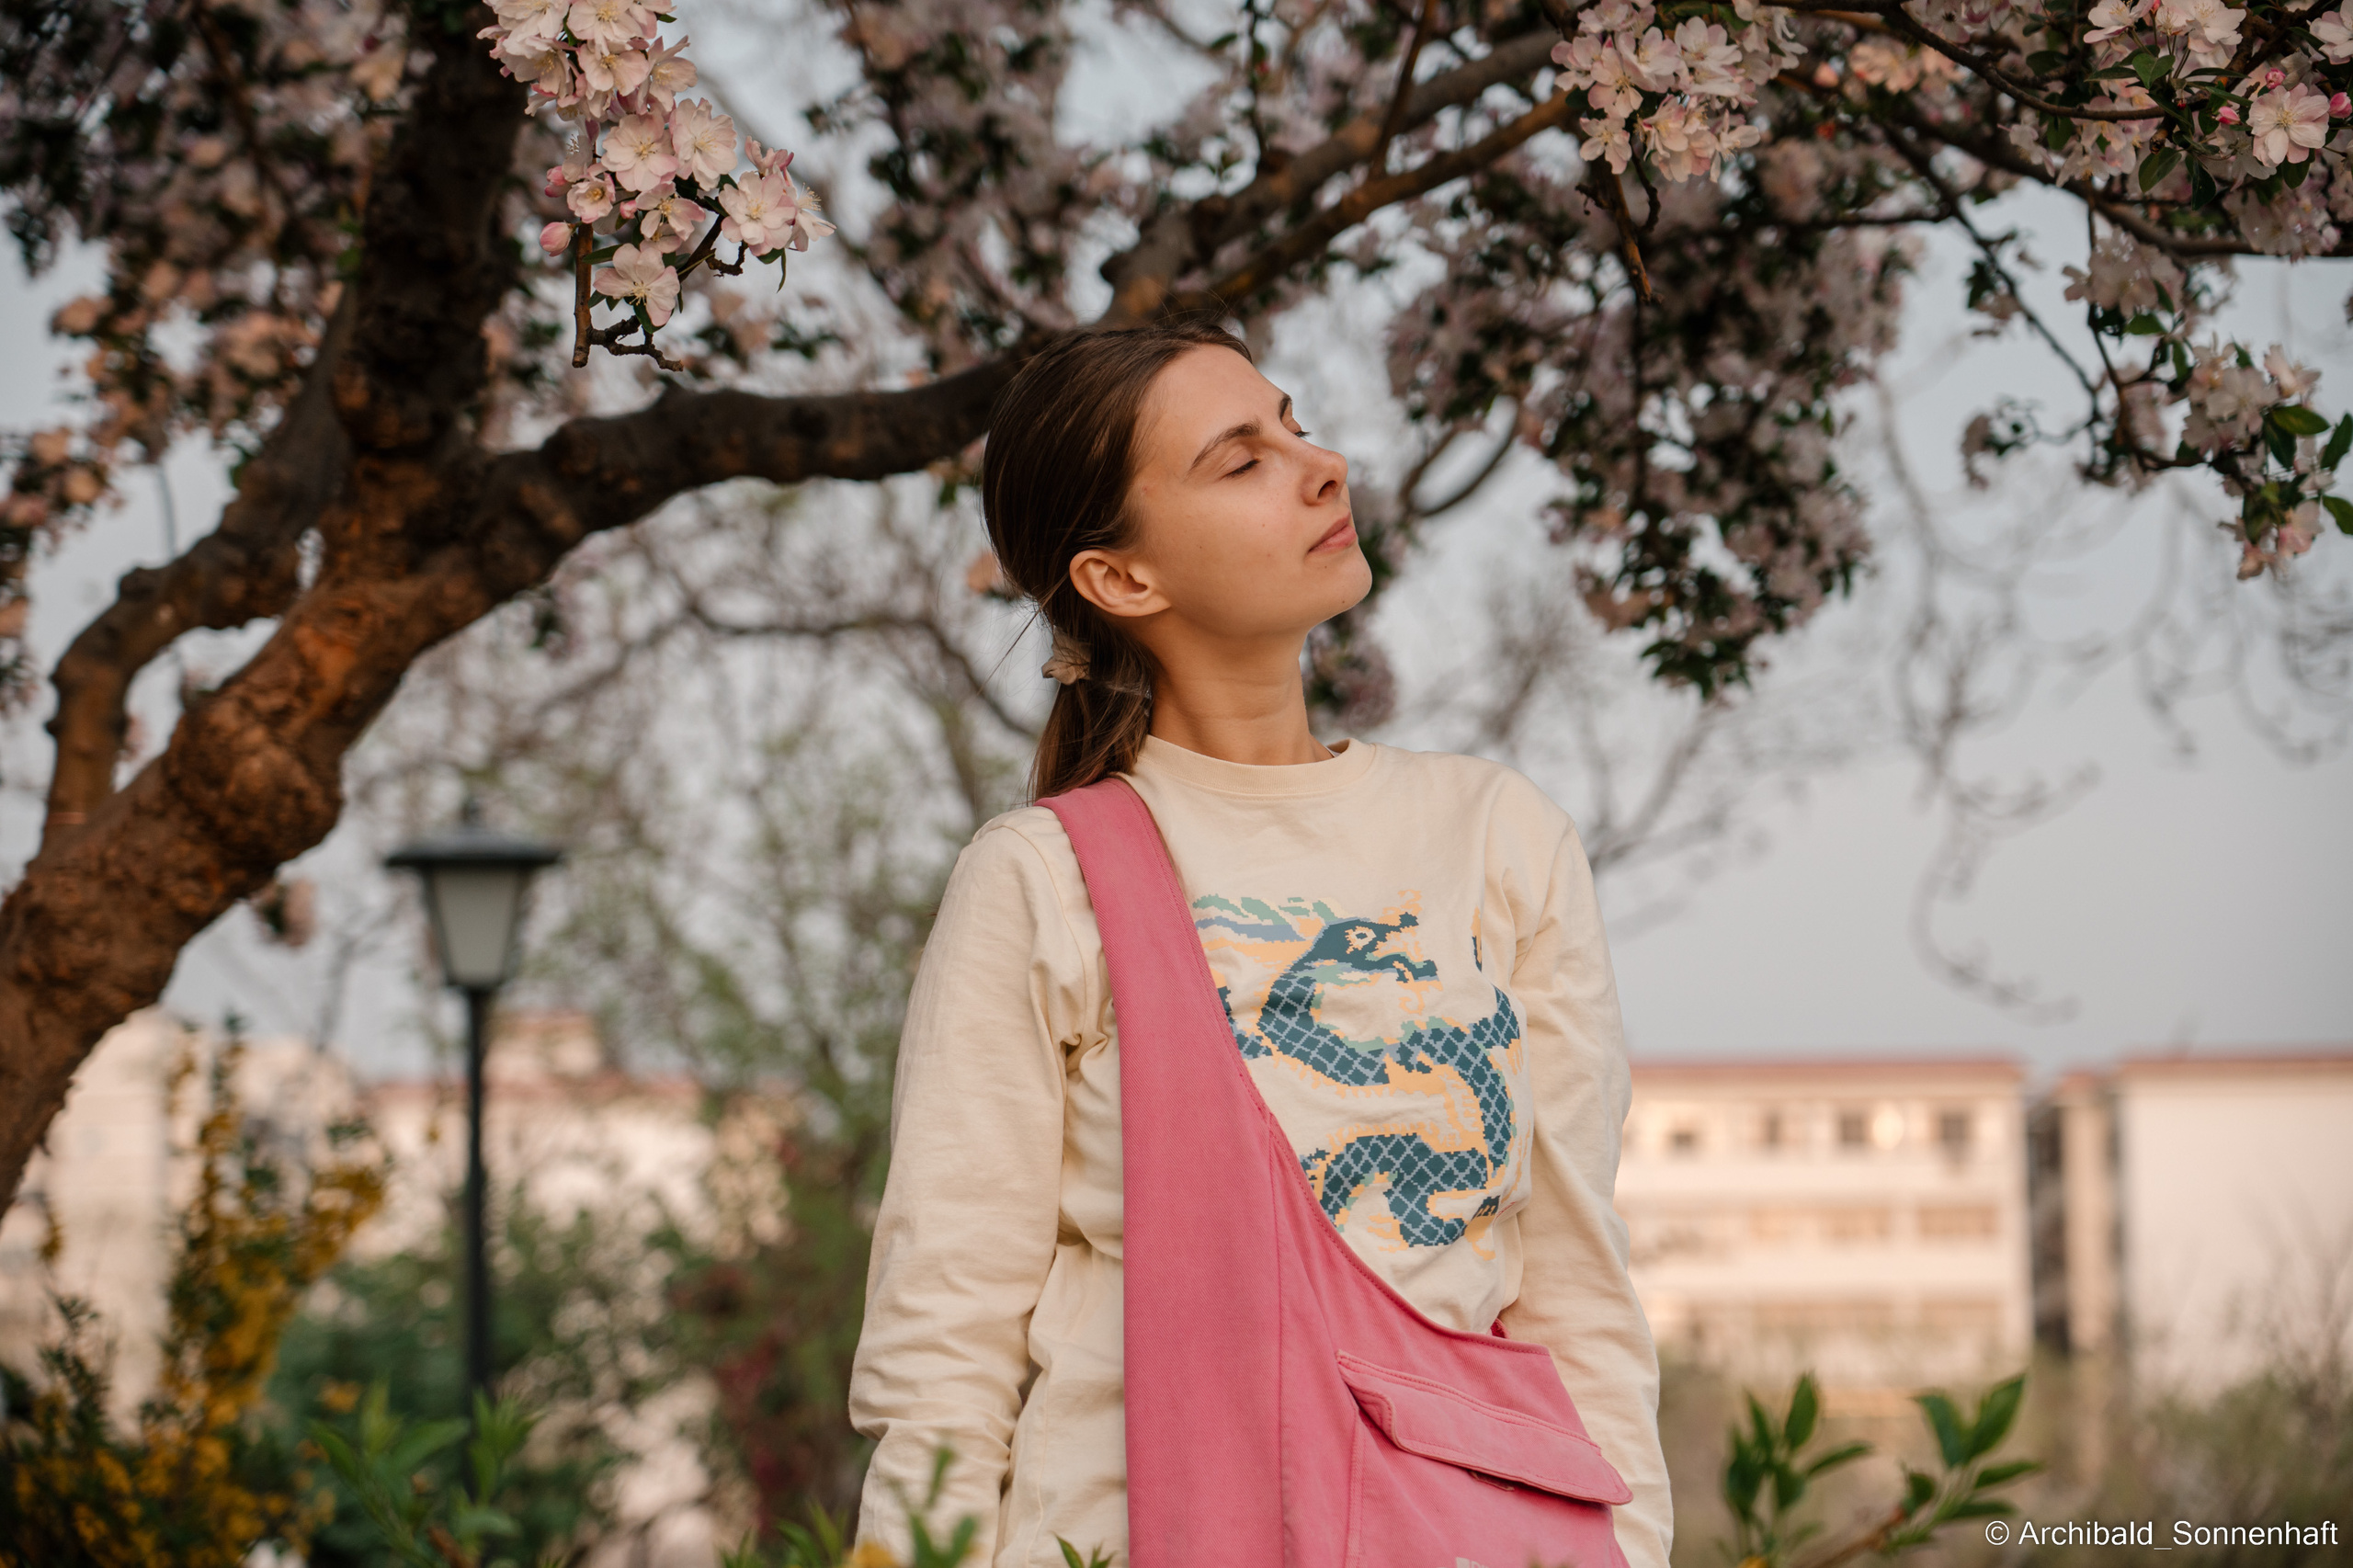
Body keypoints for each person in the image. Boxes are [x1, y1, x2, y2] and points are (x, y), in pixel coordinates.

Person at [847, 320, 1670, 1568]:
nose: (1320, 463)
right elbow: (942, 1353)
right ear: (1122, 578)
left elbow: (1573, 1289)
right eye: (1241, 460)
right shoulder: (1048, 879)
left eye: (1293, 423)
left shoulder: (1498, 840)